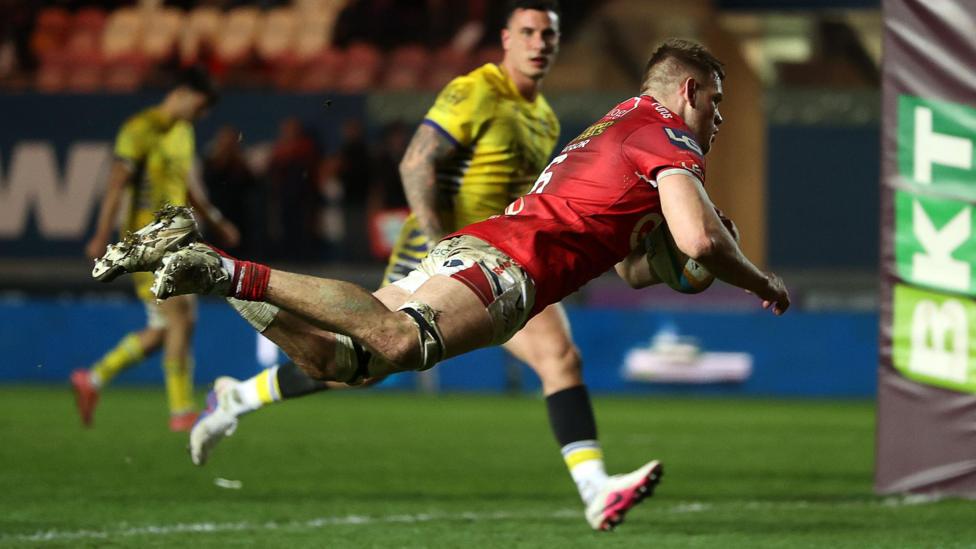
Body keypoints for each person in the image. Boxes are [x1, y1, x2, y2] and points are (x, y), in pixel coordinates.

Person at [97, 38, 790, 531]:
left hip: (483, 250)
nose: (720, 118)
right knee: (403, 342)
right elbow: (701, 240)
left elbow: (638, 266)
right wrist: (759, 279)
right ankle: (222, 270)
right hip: (506, 266)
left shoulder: (617, 126)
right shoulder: (669, 134)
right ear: (688, 92)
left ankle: (218, 280)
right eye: (717, 102)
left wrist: (682, 264)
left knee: (345, 360)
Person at [201, 0, 640, 528]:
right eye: (528, 32)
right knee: (362, 363)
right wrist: (441, 244)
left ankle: (595, 489)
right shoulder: (478, 89)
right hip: (444, 254)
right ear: (506, 39)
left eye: (548, 35)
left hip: (503, 257)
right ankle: (237, 392)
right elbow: (416, 162)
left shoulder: (543, 118)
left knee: (558, 357)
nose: (538, 43)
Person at [71, 67, 239, 432]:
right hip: (145, 239)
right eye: (201, 105)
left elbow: (187, 183)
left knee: (166, 329)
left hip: (175, 237)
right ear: (183, 92)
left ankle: (93, 378)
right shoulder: (140, 129)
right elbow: (117, 183)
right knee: (181, 317)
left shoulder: (183, 131)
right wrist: (100, 235)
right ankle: (181, 411)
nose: (202, 114)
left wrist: (215, 219)